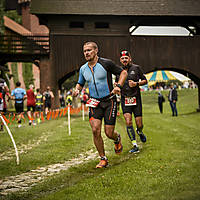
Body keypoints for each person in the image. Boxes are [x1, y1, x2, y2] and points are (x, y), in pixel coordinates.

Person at [73, 41, 127, 168]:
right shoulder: (83, 69)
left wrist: (119, 86)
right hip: (94, 102)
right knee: (95, 130)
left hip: (109, 101)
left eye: (89, 50)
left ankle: (116, 138)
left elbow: (123, 72)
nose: (86, 53)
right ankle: (103, 158)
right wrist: (77, 90)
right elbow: (80, 83)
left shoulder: (106, 63)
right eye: (85, 51)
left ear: (96, 51)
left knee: (109, 133)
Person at [115, 50, 147, 153]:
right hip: (125, 99)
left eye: (126, 58)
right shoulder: (118, 71)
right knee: (128, 121)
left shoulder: (136, 68)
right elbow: (117, 83)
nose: (124, 60)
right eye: (122, 58)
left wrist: (136, 83)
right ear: (120, 60)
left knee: (139, 124)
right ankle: (134, 144)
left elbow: (145, 80)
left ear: (130, 59)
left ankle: (140, 131)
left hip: (136, 99)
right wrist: (117, 87)